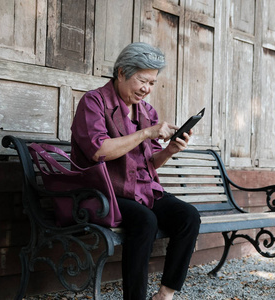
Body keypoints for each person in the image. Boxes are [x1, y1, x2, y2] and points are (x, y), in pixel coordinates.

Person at [70, 42, 201, 300]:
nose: (146, 89)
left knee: (189, 217)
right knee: (145, 220)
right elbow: (99, 151)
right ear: (121, 73)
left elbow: (150, 163)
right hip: (103, 193)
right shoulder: (94, 102)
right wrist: (147, 132)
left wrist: (170, 150)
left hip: (140, 190)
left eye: (152, 83)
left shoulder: (146, 111)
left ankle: (165, 294)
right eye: (142, 80)